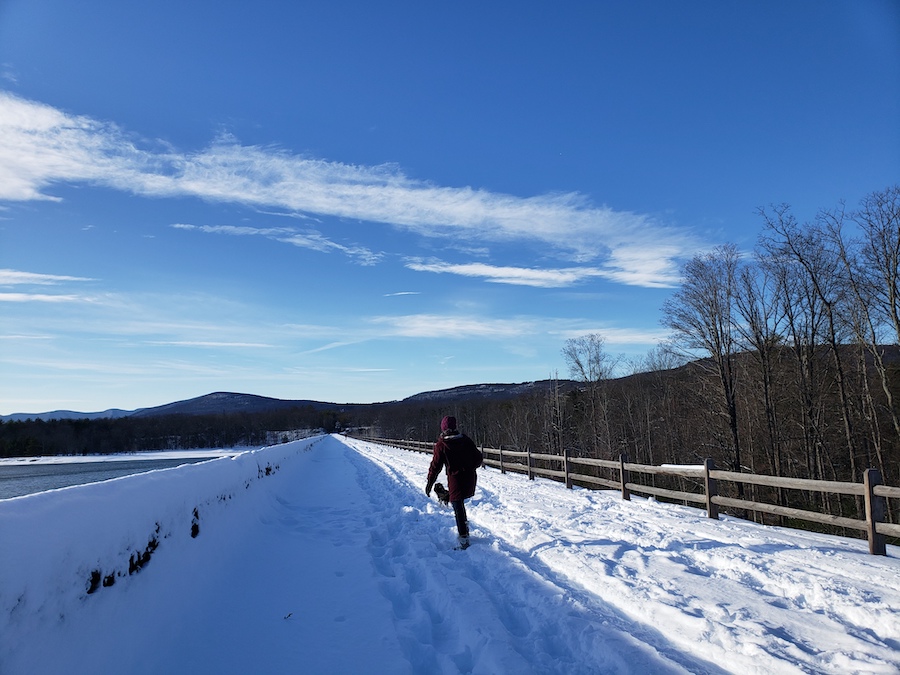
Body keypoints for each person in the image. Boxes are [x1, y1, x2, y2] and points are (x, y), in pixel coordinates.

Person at [425, 415, 483, 549]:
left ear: (443, 429)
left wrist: (430, 482)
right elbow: (478, 458)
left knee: (457, 506)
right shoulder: (466, 440)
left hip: (455, 479)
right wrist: (469, 466)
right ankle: (465, 529)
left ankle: (464, 539)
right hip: (469, 477)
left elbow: (435, 466)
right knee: (459, 504)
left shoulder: (442, 445)